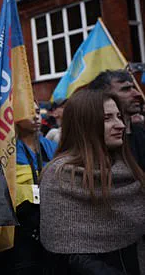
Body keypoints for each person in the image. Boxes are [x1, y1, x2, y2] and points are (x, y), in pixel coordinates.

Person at [40, 89, 145, 274]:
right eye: (107, 118)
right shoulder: (58, 176)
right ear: (83, 124)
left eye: (119, 116)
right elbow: (69, 256)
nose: (120, 124)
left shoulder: (129, 170)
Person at [0, 102, 57, 274]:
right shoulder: (7, 151)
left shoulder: (51, 146)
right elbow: (6, 190)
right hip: (21, 231)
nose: (36, 116)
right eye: (28, 111)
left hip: (53, 225)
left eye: (37, 111)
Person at [89, 70, 145, 170]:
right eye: (126, 89)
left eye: (134, 88)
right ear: (105, 95)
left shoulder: (142, 132)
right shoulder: (94, 144)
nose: (137, 94)